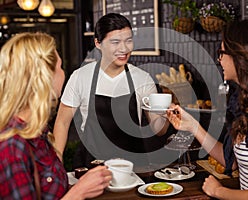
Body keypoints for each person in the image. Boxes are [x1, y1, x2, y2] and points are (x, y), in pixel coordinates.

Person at [167, 19, 248, 199]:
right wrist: (192, 126)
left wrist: (217, 190)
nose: (219, 59)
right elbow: (231, 160)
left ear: (239, 56)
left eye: (221, 52)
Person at [0, 32, 112, 199]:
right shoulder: (12, 147)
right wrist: (78, 192)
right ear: (44, 77)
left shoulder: (38, 131)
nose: (63, 73)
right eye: (59, 67)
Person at [53, 13, 170, 168]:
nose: (124, 48)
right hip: (93, 167)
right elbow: (62, 122)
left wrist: (166, 115)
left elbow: (158, 129)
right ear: (98, 43)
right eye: (115, 42)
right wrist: (56, 165)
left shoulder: (142, 78)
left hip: (134, 168)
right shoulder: (81, 77)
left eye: (128, 41)